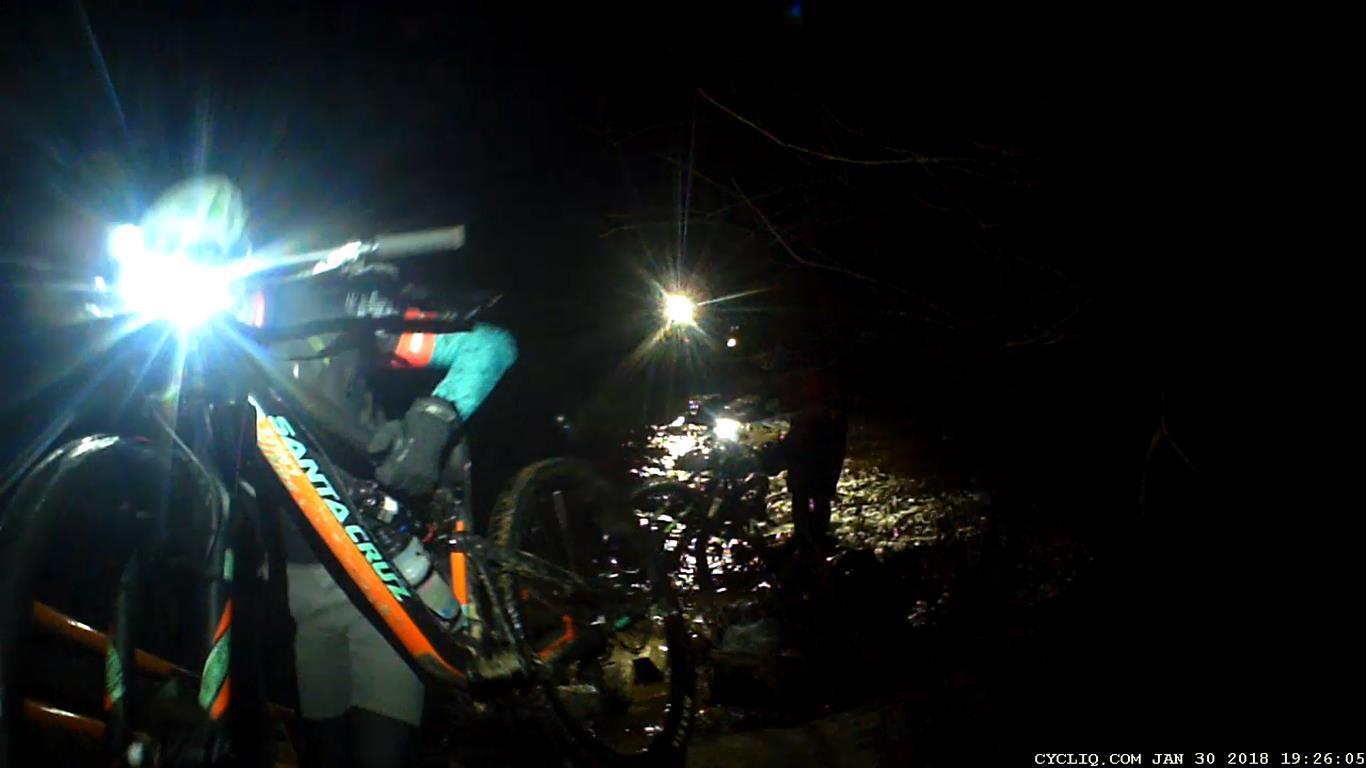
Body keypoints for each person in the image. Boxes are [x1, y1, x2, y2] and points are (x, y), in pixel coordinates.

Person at [139, 177, 518, 767]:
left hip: (384, 572)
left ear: (237, 256)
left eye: (202, 254)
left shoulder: (326, 311)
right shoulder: (190, 361)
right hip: (301, 600)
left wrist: (432, 423)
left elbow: (489, 346)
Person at [774, 367, 848, 554]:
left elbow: (796, 442)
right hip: (822, 463)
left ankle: (808, 539)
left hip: (812, 464)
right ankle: (814, 538)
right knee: (816, 499)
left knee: (805, 499)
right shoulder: (828, 412)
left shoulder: (812, 415)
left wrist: (779, 451)